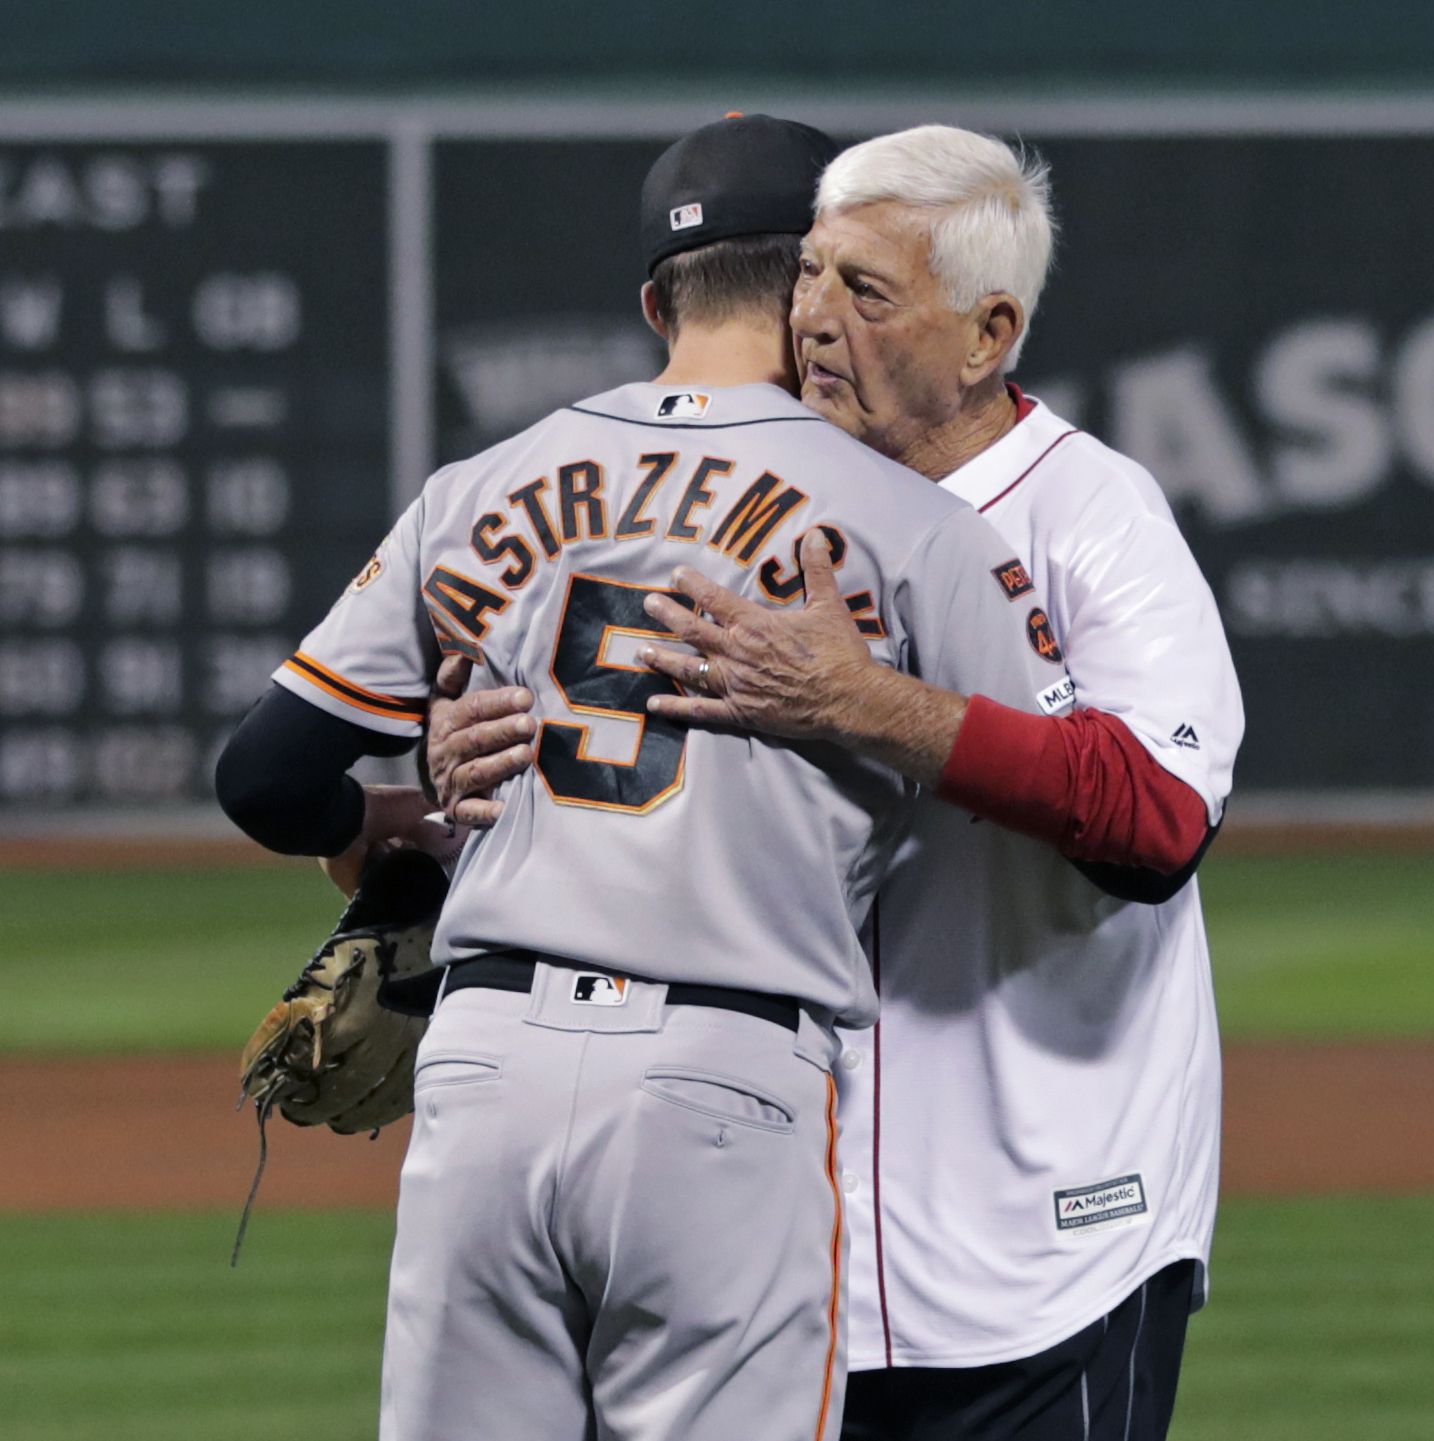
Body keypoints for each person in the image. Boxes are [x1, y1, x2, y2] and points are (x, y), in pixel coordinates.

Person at [214, 115, 1073, 1441]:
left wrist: (384, 817)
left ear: (651, 302)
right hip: (721, 1082)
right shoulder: (909, 524)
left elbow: (265, 774)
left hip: (484, 1071)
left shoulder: (479, 486)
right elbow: (1056, 808)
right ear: (816, 286)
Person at [424, 125, 1244, 1440]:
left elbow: (1153, 821)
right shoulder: (729, 503)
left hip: (1039, 1237)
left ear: (985, 337)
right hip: (757, 1233)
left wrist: (874, 705)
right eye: (809, 275)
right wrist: (451, 781)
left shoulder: (1089, 512)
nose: (812, 318)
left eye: (864, 291)